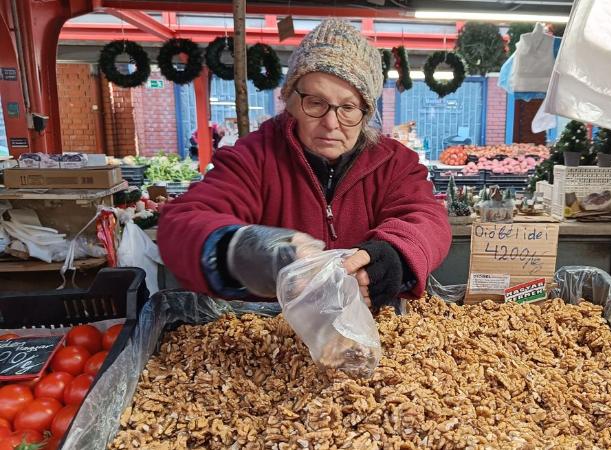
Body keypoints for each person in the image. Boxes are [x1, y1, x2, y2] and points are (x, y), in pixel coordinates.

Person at [158, 19, 451, 309]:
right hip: (271, 332)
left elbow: (426, 216)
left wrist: (396, 252)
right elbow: (180, 224)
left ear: (365, 112)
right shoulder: (255, 157)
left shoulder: (395, 162)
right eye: (315, 102)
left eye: (348, 107)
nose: (331, 123)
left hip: (369, 330)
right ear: (290, 100)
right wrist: (237, 249)